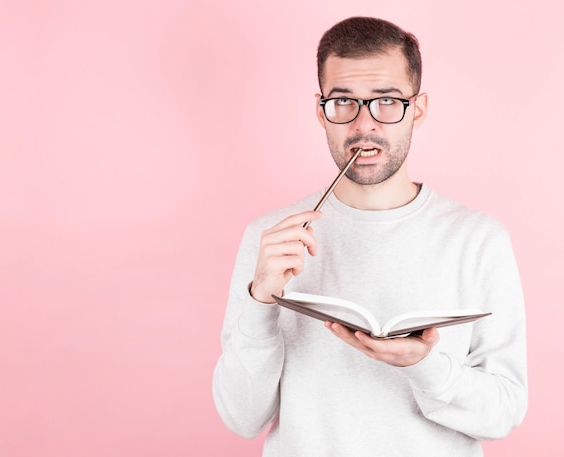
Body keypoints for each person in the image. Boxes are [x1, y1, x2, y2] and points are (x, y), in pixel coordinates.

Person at [212, 16, 527, 457]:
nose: (364, 124)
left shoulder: (478, 239)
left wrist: (425, 365)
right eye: (343, 102)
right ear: (320, 111)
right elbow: (241, 418)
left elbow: (504, 413)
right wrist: (260, 304)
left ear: (417, 109)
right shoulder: (271, 240)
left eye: (387, 102)